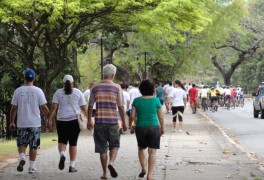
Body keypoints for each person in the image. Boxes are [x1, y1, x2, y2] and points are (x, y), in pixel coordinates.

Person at [87, 64, 127, 179]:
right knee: (114, 145)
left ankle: (104, 173)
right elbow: (120, 107)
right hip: (113, 122)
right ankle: (112, 163)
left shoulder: (94, 87)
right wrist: (123, 122)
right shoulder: (117, 87)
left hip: (99, 122)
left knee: (102, 148)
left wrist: (90, 120)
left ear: (103, 74)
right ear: (113, 75)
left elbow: (90, 106)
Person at [9, 68, 50, 173]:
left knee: (22, 143)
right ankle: (31, 167)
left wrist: (11, 122)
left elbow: (13, 108)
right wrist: (49, 119)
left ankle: (22, 157)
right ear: (34, 79)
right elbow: (44, 107)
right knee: (34, 145)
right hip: (35, 123)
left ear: (24, 78)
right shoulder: (38, 91)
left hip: (22, 123)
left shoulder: (18, 91)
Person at [47, 75, 87, 173]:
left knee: (62, 140)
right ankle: (72, 166)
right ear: (73, 82)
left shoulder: (58, 92)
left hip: (61, 120)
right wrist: (89, 119)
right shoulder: (78, 92)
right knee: (73, 143)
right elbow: (84, 108)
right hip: (74, 121)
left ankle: (62, 155)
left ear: (63, 83)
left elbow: (54, 107)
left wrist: (49, 119)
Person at [129, 79, 164, 180]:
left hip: (140, 127)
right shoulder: (156, 100)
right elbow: (161, 116)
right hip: (154, 126)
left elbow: (132, 115)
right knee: (152, 151)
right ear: (152, 89)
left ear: (141, 90)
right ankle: (149, 175)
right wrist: (162, 128)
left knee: (141, 148)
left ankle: (143, 168)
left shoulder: (137, 100)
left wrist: (130, 125)